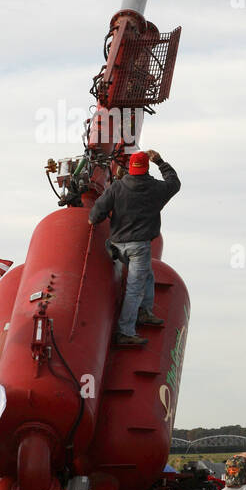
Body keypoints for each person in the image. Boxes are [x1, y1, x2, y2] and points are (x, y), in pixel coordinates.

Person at [87, 148, 180, 347]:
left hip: (117, 245)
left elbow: (96, 214)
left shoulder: (117, 187)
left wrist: (93, 219)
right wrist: (160, 161)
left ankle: (145, 311)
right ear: (147, 167)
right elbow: (174, 183)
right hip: (139, 247)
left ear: (130, 167)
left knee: (146, 274)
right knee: (134, 289)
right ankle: (126, 331)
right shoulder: (156, 188)